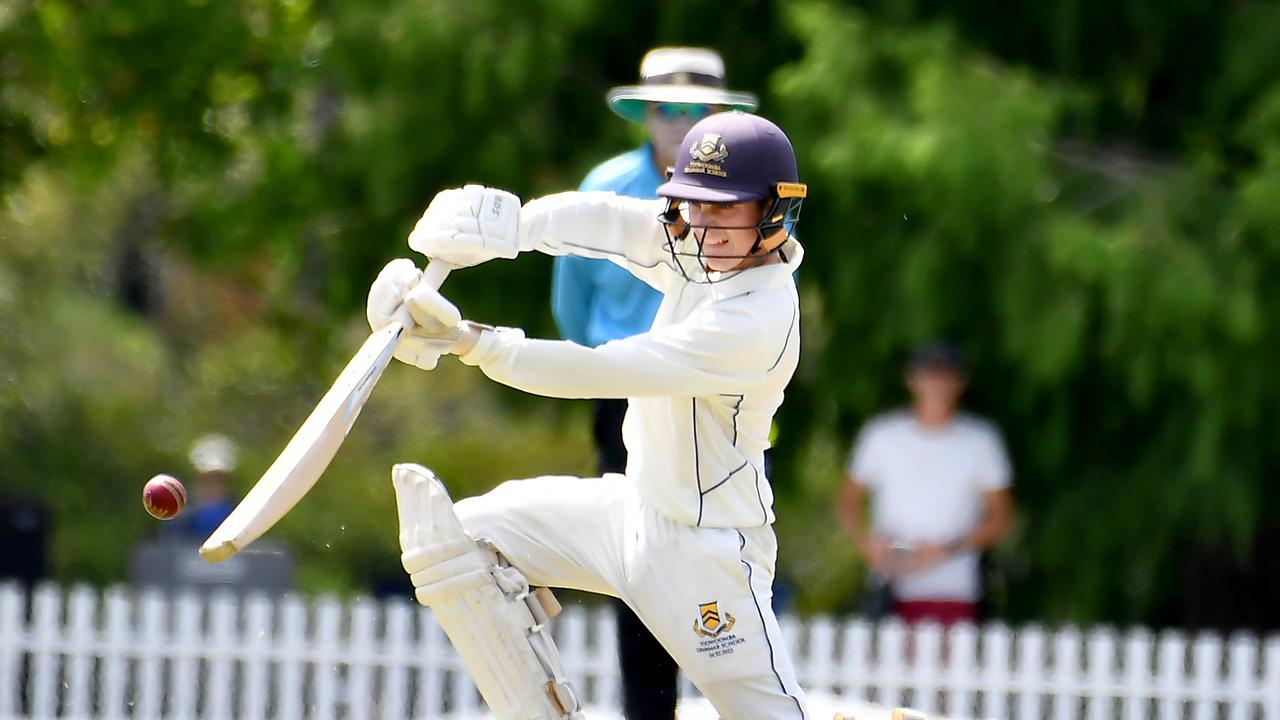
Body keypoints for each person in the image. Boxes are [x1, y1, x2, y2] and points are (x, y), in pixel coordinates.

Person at [368, 110, 810, 718]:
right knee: (457, 538)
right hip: (630, 515)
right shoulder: (709, 245)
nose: (703, 228)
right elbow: (610, 222)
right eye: (695, 206)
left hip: (708, 558)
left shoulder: (757, 319)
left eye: (724, 208)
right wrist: (509, 227)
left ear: (774, 210)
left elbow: (606, 369)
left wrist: (472, 343)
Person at [551, 46, 757, 719]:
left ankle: (746, 701)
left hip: (722, 398)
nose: (682, 122)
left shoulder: (751, 189)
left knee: (731, 551)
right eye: (668, 108)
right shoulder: (604, 188)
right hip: (628, 395)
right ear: (644, 115)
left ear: (722, 114)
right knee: (637, 555)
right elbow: (572, 306)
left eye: (699, 108)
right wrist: (615, 372)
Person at [836, 341, 1015, 626]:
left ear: (960, 381)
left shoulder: (980, 441)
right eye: (929, 374)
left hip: (956, 589)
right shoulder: (882, 436)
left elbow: (1001, 516)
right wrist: (867, 545)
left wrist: (945, 550)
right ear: (911, 378)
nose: (936, 384)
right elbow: (847, 500)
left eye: (944, 375)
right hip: (891, 585)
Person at [177, 433, 238, 541]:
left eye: (217, 481)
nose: (211, 487)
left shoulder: (240, 517)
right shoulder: (182, 520)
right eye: (206, 480)